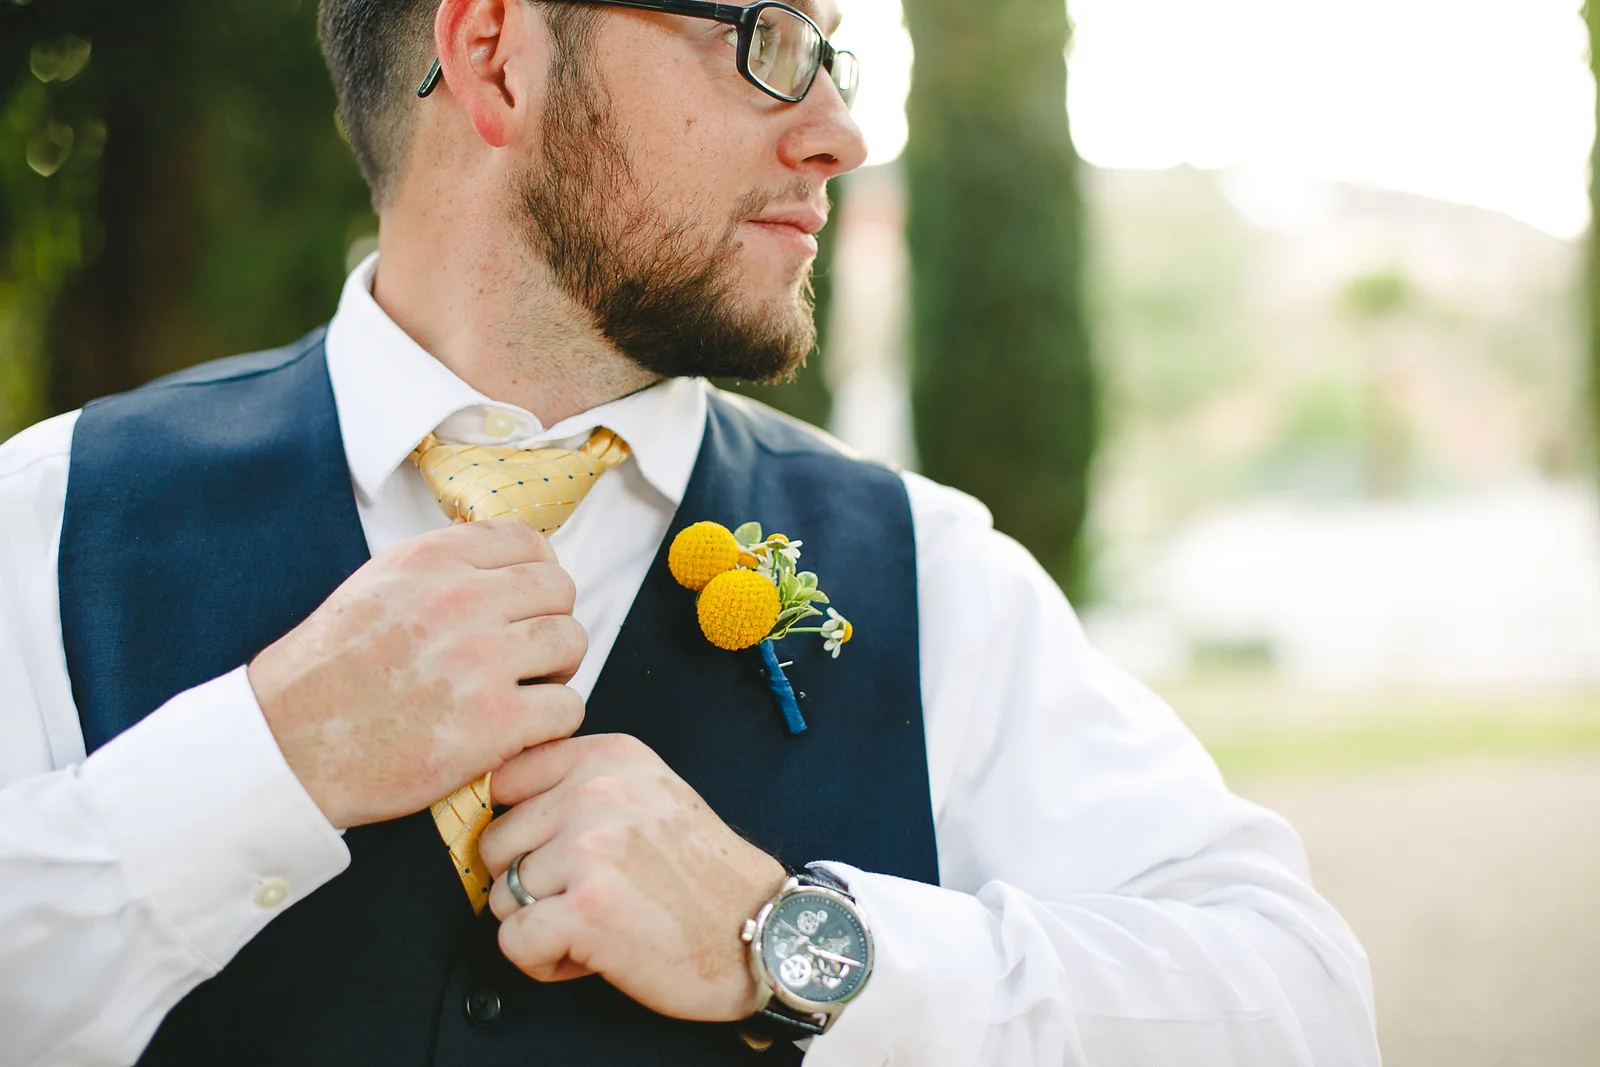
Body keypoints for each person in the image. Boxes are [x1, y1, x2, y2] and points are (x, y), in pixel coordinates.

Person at [0, 0, 1380, 1064]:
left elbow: (1299, 1008)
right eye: (767, 40)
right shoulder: (52, 513)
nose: (842, 132)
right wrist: (257, 763)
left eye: (839, 55)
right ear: (495, 59)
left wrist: (784, 939)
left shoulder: (935, 569)